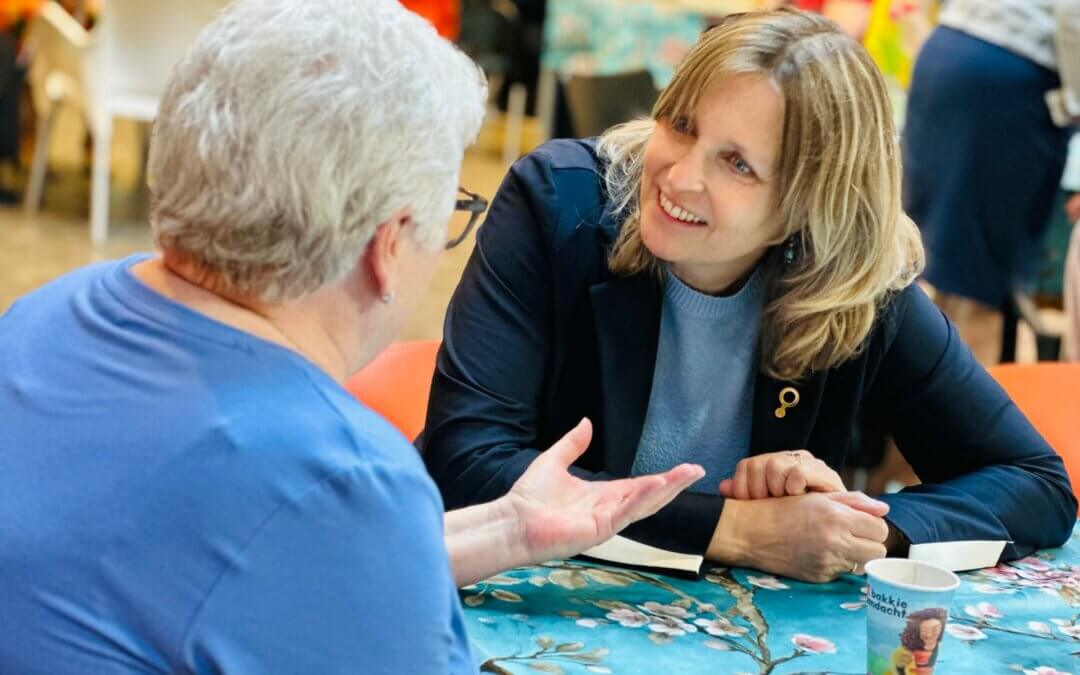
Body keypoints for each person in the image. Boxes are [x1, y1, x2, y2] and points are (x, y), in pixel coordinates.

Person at [0, 1, 706, 673]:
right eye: (451, 213)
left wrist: (508, 528)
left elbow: (219, 558)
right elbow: (300, 528)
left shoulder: (46, 314)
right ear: (388, 245)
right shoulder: (337, 476)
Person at [421, 8, 1077, 584]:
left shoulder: (858, 283)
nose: (679, 175)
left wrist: (858, 527)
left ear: (809, 207)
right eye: (680, 124)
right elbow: (469, 464)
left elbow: (1036, 483)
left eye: (737, 164)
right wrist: (738, 529)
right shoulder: (557, 206)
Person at [902, 0, 1080, 364]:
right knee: (976, 284)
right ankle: (961, 413)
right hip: (1001, 79)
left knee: (945, 269)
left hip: (949, 54)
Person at [890, 608, 946, 674]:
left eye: (935, 629)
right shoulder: (904, 652)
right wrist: (900, 667)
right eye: (924, 630)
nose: (929, 635)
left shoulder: (938, 648)